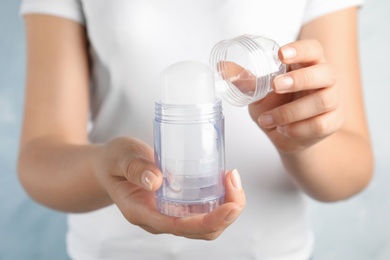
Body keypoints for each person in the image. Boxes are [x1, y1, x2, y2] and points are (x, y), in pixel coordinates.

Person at [18, 0, 373, 259]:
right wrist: (104, 168)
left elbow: (353, 170)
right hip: (112, 250)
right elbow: (40, 157)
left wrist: (301, 140)